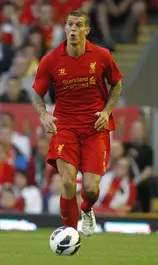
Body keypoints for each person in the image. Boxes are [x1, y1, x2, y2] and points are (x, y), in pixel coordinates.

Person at [31, 10, 123, 236]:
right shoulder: (51, 60)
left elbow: (117, 84)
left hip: (95, 128)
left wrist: (107, 111)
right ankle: (69, 234)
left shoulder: (101, 56)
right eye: (70, 24)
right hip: (66, 128)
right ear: (65, 28)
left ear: (87, 30)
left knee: (90, 189)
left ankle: (87, 209)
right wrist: (44, 115)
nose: (73, 29)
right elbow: (36, 94)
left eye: (78, 25)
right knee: (68, 183)